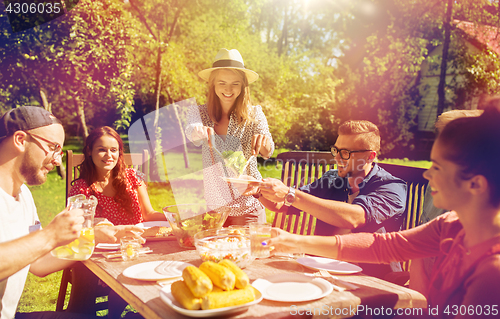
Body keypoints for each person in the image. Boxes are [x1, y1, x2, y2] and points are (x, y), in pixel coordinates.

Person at [268, 106, 500, 317]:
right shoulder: (448, 225)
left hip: (370, 284)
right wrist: (293, 240)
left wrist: (291, 198)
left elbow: (355, 218)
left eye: (437, 167)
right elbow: (385, 245)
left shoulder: (491, 272)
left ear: (476, 184)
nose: (427, 175)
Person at [0, 106, 142, 319]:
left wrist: (93, 237)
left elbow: (38, 264)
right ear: (20, 140)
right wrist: (51, 235)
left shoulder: (24, 196)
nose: (58, 160)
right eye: (53, 147)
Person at [248, 120, 407, 278]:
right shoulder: (332, 179)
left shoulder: (391, 188)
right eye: (336, 150)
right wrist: (257, 190)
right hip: (323, 270)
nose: (337, 158)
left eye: (346, 153)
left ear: (370, 156)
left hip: (374, 278)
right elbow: (282, 205)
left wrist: (291, 194)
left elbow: (355, 217)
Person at [185, 48, 274, 226]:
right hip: (215, 210)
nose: (228, 89)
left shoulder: (255, 113)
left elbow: (268, 150)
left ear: (242, 86)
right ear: (213, 85)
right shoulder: (199, 112)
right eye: (222, 83)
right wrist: (197, 130)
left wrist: (264, 141)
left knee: (247, 253)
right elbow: (191, 130)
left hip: (248, 207)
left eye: (235, 83)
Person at [69, 126, 165, 225]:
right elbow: (76, 226)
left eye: (113, 150)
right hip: (103, 240)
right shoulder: (81, 189)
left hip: (138, 238)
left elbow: (148, 214)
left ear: (119, 152)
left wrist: (175, 217)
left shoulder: (134, 176)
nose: (109, 155)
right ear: (89, 151)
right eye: (102, 150)